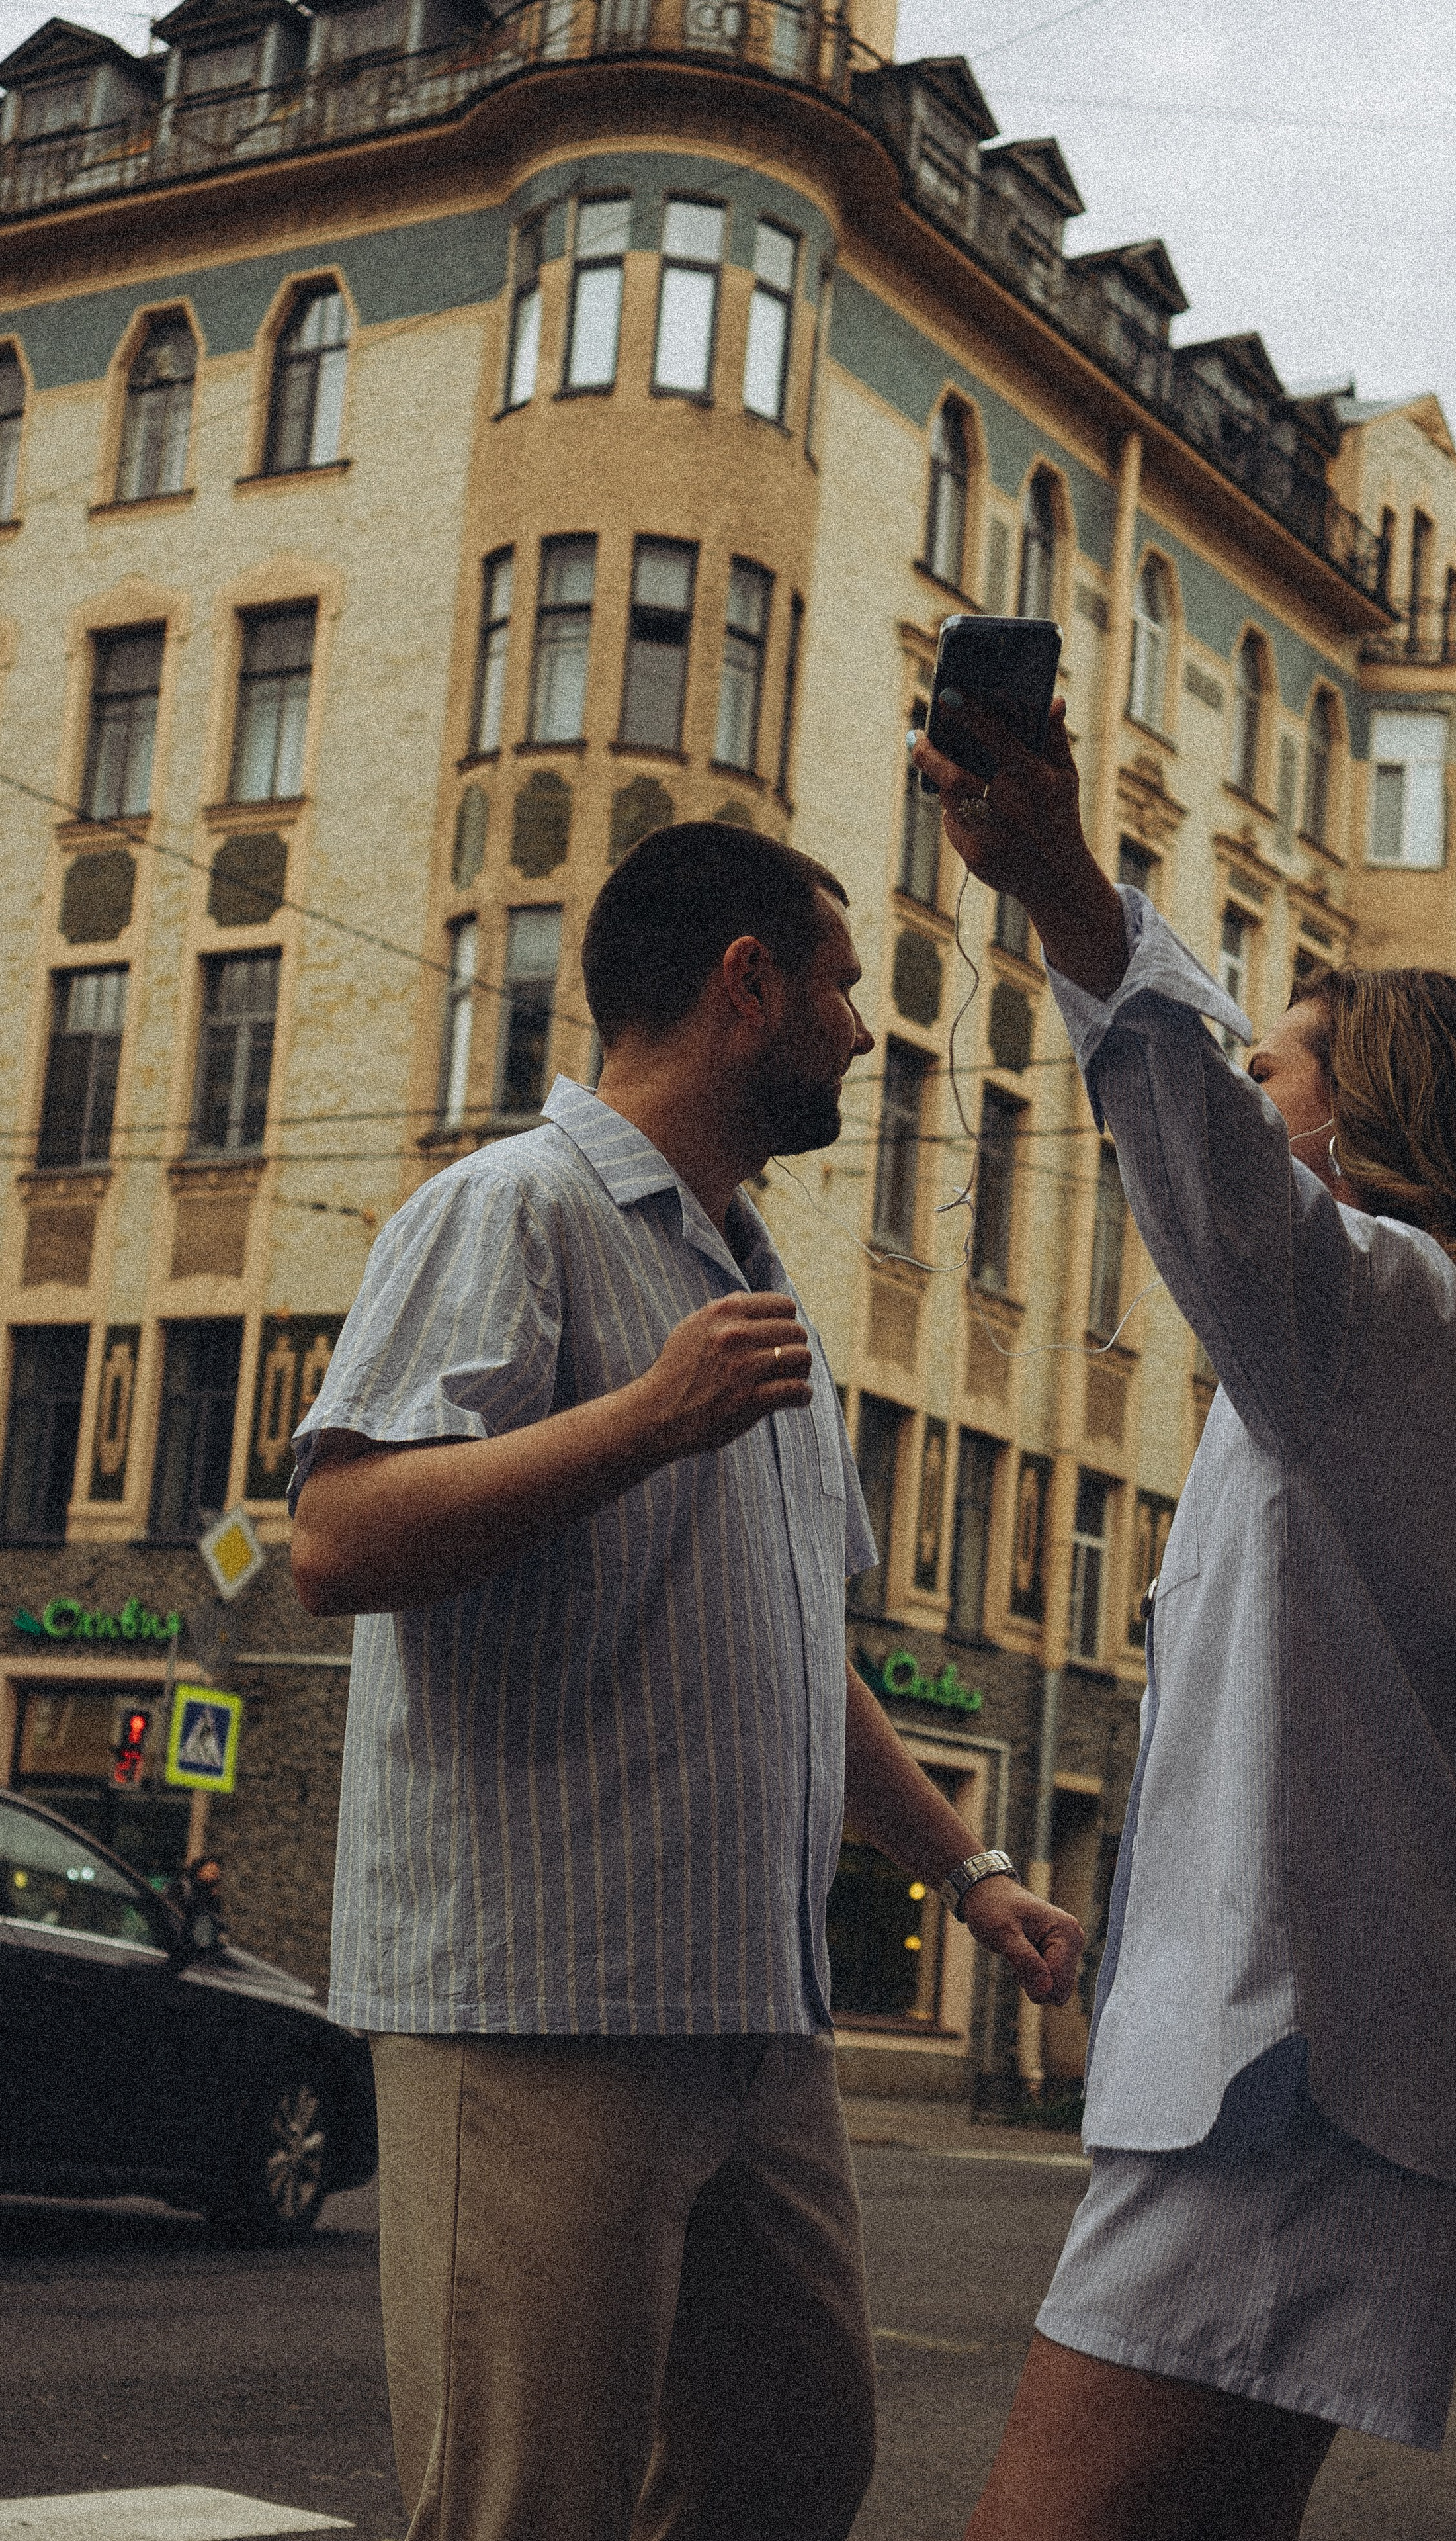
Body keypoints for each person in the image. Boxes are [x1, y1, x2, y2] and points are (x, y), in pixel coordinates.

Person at [288, 820, 1084, 2541]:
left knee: (790, 2461)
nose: (862, 1033)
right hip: (544, 2005)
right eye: (842, 990)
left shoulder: (751, 1269)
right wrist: (645, 1419)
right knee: (530, 2507)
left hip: (751, 2017)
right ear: (747, 986)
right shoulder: (511, 1208)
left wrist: (969, 1869)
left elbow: (796, 1646)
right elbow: (336, 1540)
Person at [911, 698, 1456, 2541]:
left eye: (1276, 1074)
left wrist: (1067, 885)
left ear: (1356, 1122)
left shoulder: (1383, 1314)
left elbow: (1204, 1167)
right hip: (1353, 2082)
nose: (1247, 1100)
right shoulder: (1449, 1378)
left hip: (1276, 2084)